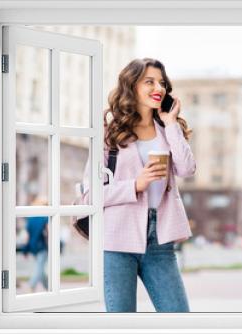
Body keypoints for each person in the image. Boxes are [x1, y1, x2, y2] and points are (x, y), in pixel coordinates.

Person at [81, 58, 196, 313]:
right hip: (117, 240)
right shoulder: (110, 133)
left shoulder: (167, 129)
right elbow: (91, 195)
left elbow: (187, 169)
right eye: (150, 82)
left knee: (179, 318)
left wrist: (171, 124)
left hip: (160, 239)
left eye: (162, 83)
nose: (159, 88)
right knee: (122, 323)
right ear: (132, 85)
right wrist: (136, 184)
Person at [21, 197, 49, 293]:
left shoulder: (30, 219)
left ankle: (49, 287)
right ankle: (31, 285)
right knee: (39, 268)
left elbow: (27, 236)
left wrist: (25, 250)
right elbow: (48, 233)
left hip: (33, 248)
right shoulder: (45, 218)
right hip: (42, 247)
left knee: (40, 268)